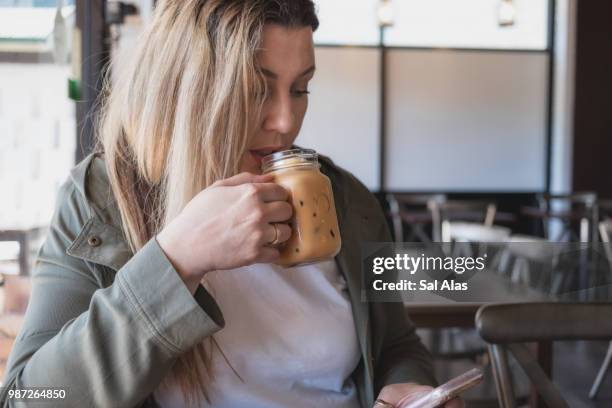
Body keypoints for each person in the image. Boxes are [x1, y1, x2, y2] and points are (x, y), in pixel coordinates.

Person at [2, 1, 463, 407]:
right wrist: (175, 261)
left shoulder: (348, 201)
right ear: (183, 87)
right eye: (256, 87)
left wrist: (406, 387)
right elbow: (28, 395)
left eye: (300, 88)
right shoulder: (103, 201)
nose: (285, 121)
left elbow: (398, 344)